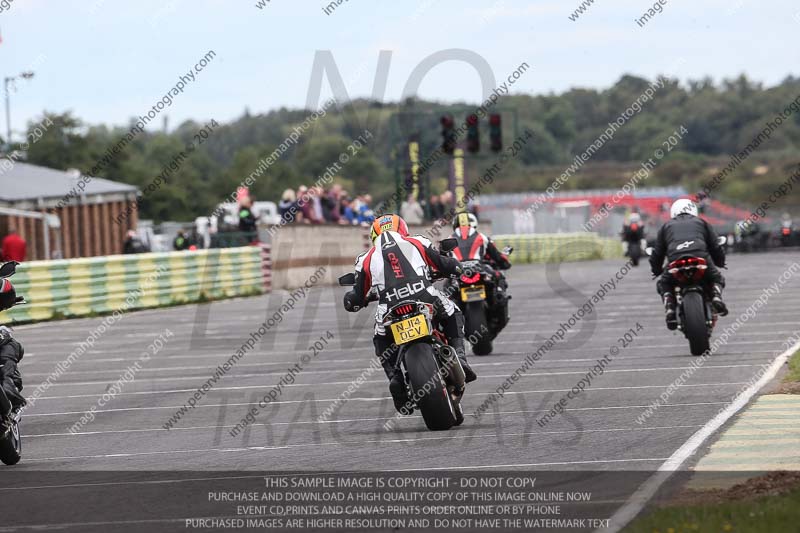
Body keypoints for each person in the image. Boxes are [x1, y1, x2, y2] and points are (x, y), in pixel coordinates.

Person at [342, 214, 476, 415]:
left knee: (380, 338)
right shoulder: (418, 241)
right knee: (453, 311)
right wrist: (456, 268)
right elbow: (444, 264)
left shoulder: (365, 259)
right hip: (424, 297)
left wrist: (352, 301)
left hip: (389, 308)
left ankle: (395, 380)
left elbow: (357, 296)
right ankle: (461, 357)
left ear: (373, 235)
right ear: (402, 229)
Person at [649, 199, 728, 330]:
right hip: (700, 256)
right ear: (693, 210)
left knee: (664, 283)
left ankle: (669, 307)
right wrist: (720, 262)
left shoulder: (666, 226)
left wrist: (656, 270)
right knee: (716, 278)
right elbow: (715, 246)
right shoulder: (702, 222)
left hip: (675, 259)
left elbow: (657, 253)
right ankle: (716, 296)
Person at [449, 212, 512, 333]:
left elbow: (440, 261)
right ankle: (499, 298)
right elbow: (498, 257)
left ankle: (452, 313)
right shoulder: (483, 237)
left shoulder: (448, 240)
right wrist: (505, 262)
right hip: (480, 269)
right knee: (499, 277)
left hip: (458, 273)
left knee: (447, 289)